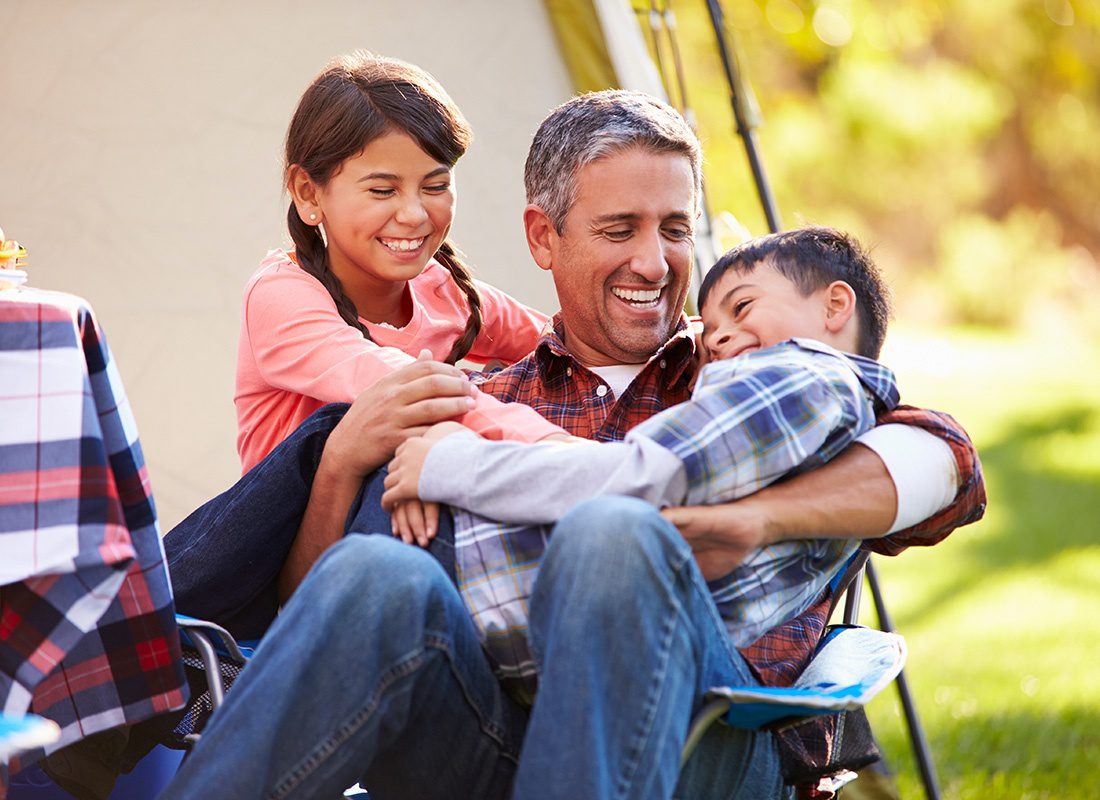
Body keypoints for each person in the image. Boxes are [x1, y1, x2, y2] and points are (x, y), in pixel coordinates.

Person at [161, 91, 985, 799]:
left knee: (613, 533)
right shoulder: (481, 404)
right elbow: (301, 610)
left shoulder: (744, 372)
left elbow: (947, 458)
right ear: (543, 239)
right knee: (377, 574)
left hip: (714, 737)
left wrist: (757, 517)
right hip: (497, 737)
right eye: (619, 228)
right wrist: (340, 467)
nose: (654, 262)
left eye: (674, 229)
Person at [377, 226, 900, 700]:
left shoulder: (800, 382)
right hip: (548, 643)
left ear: (835, 306)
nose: (714, 338)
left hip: (588, 642)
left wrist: (448, 463)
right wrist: (443, 426)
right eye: (616, 229)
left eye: (741, 308)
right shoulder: (809, 405)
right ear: (544, 237)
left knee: (361, 548)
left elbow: (640, 479)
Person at [234, 49, 564, 476]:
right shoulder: (281, 296)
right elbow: (407, 389)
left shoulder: (443, 290)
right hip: (305, 533)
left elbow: (566, 346)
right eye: (382, 191)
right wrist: (555, 445)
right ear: (308, 193)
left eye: (435, 184)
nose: (413, 214)